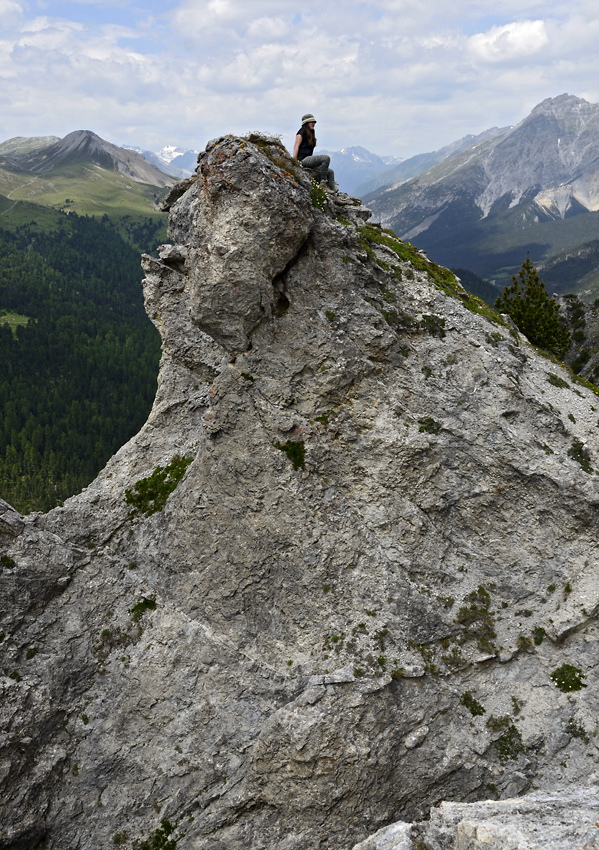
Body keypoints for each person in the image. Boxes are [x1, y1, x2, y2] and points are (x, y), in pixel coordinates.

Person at [293, 113, 338, 192]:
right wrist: (294, 162)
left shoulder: (310, 133)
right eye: (311, 122)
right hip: (303, 160)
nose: (313, 124)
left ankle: (334, 193)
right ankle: (323, 183)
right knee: (325, 158)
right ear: (306, 123)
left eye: (314, 122)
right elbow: (296, 147)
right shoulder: (301, 133)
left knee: (330, 172)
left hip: (308, 160)